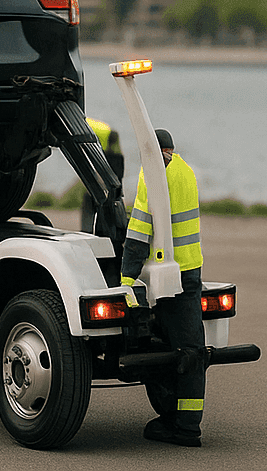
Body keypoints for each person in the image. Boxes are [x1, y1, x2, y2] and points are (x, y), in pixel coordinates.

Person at [120, 128, 205, 447]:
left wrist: (127, 279)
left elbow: (139, 230)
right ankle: (188, 423)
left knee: (170, 350)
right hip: (191, 267)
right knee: (192, 347)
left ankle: (179, 425)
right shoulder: (186, 170)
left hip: (167, 275)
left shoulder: (154, 174)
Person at [80, 116, 125, 233]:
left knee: (89, 206)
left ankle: (86, 232)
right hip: (113, 195)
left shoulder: (104, 156)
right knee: (105, 222)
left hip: (99, 191)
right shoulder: (119, 158)